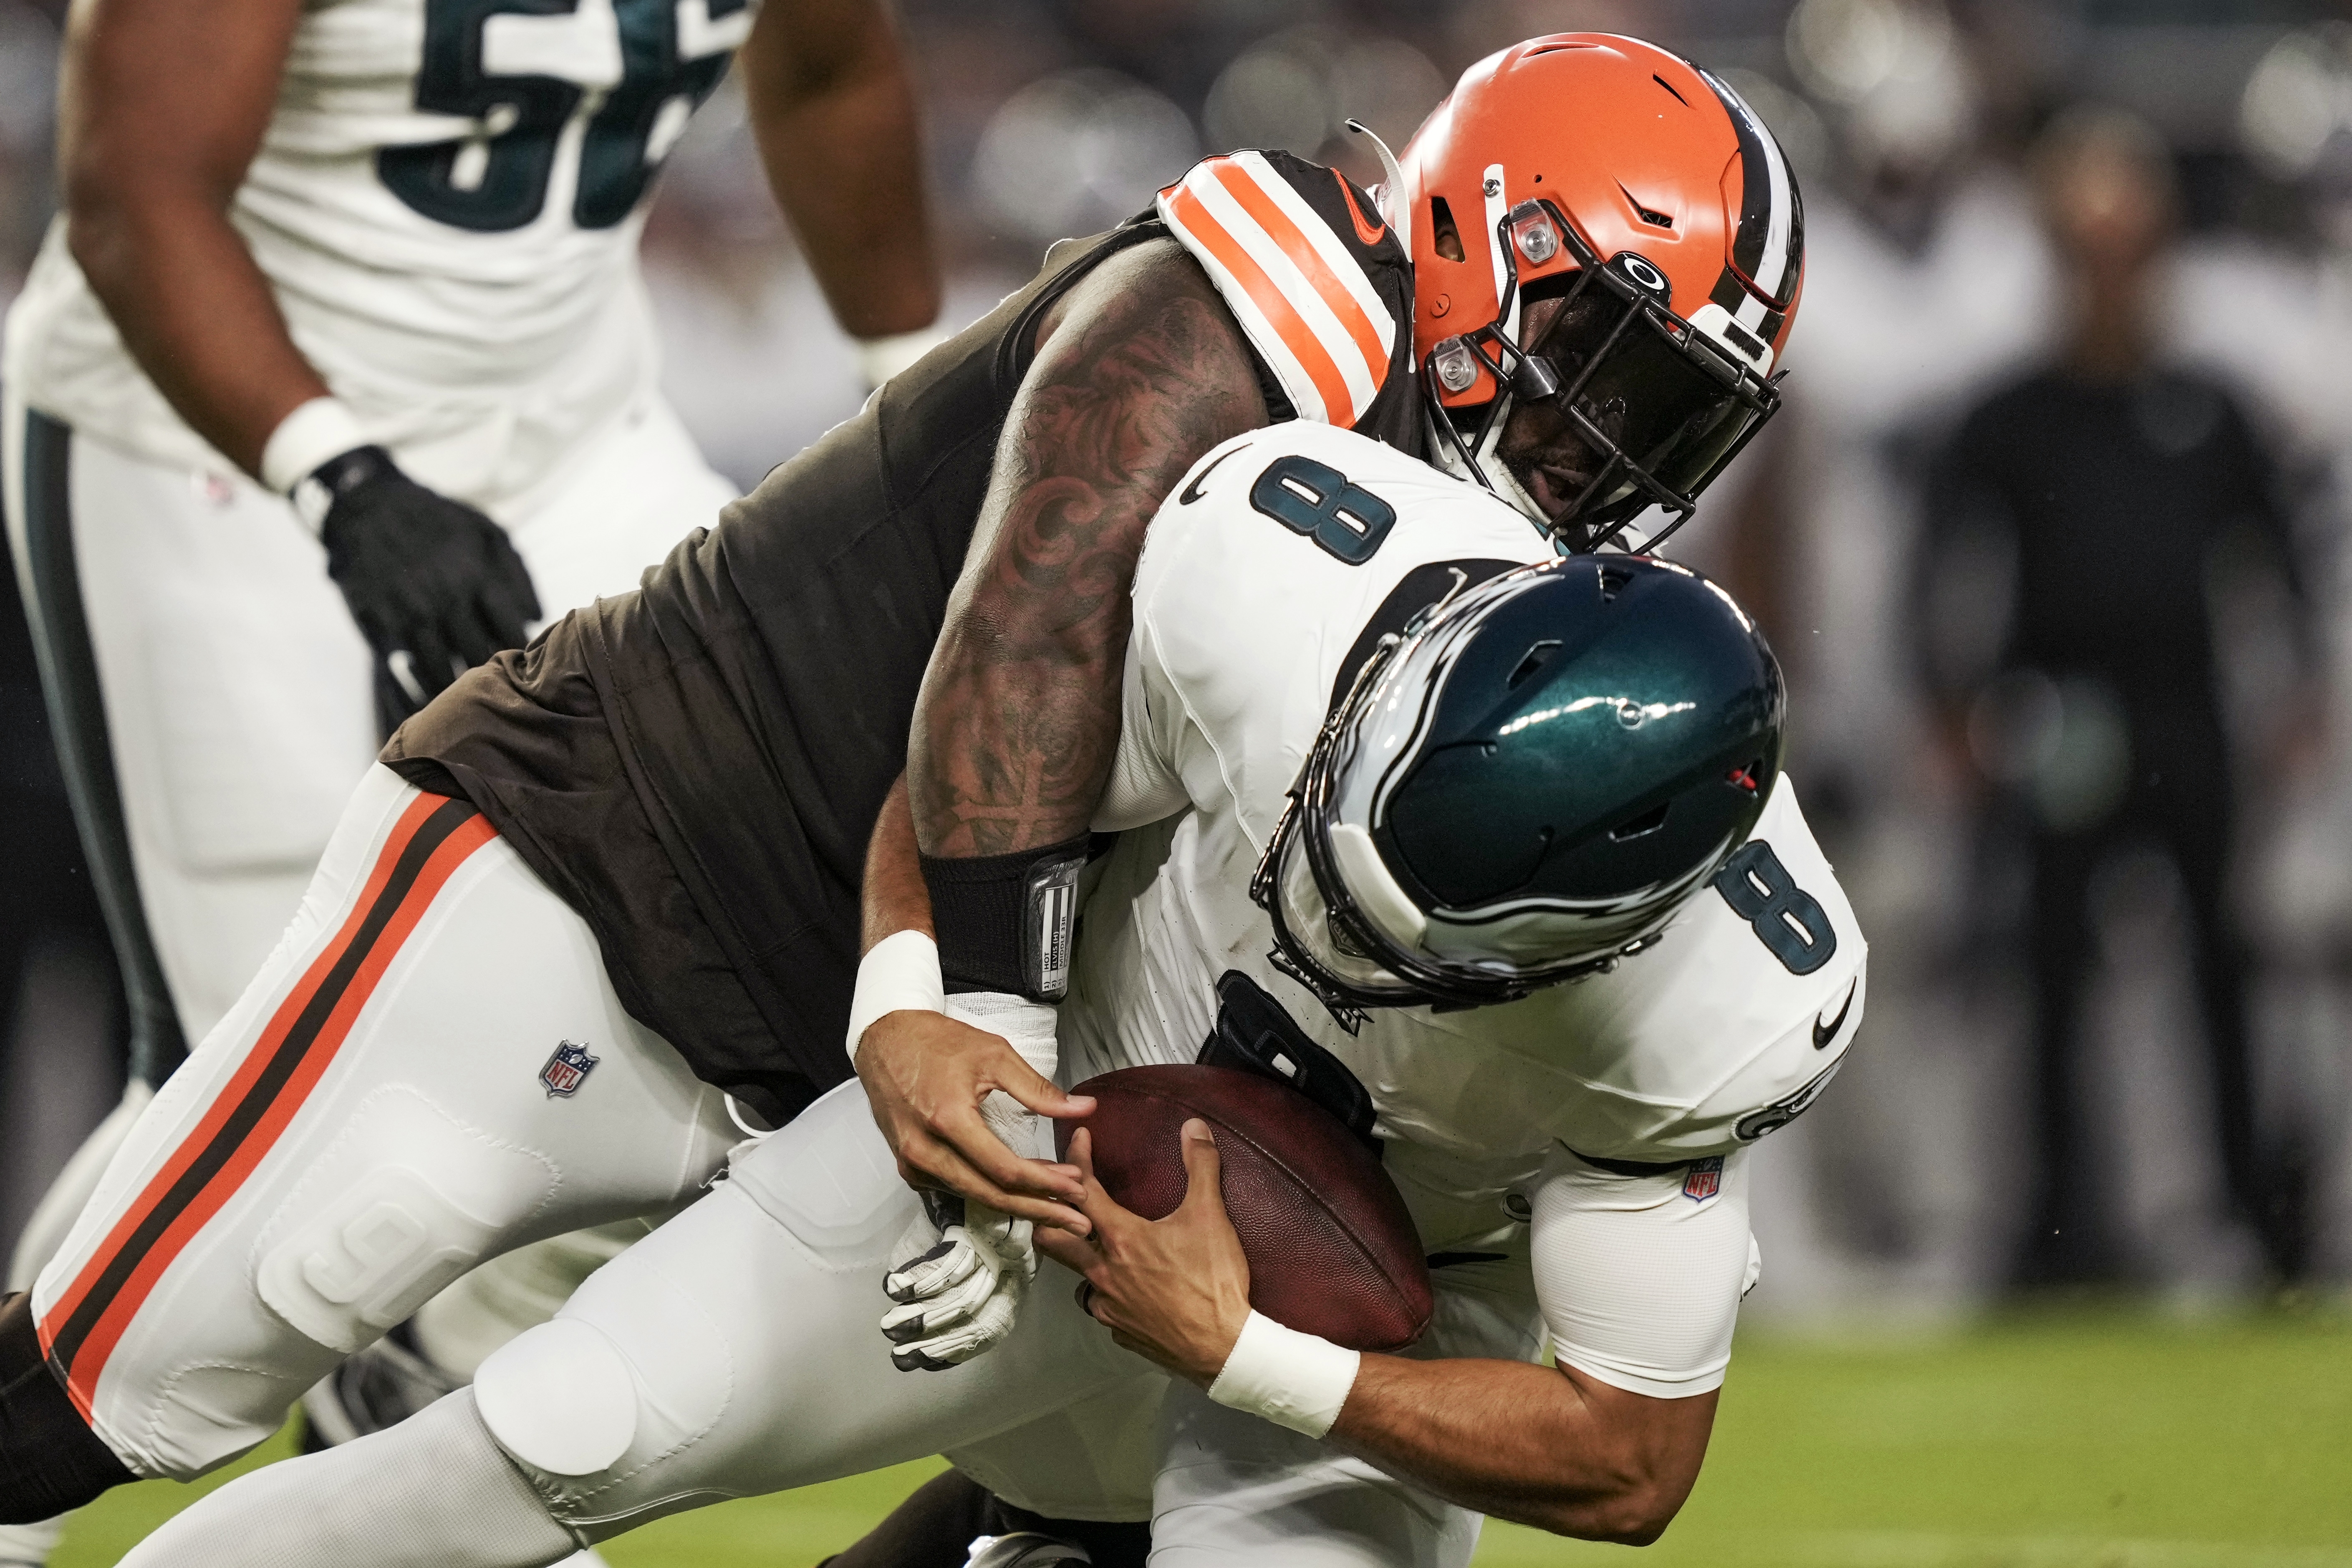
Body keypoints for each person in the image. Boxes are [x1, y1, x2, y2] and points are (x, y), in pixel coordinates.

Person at [0, 31, 1805, 1539]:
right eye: (1603, 371)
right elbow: (1021, 642)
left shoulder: (1524, 624)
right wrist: (971, 1015)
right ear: (1483, 243)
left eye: (1673, 422)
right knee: (135, 1372)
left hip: (932, 1035)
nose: (1608, 455)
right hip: (628, 869)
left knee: (992, 1489)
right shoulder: (1282, 299)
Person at [105, 421, 1867, 1566]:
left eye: (1397, 940)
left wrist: (1242, 1353)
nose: (1324, 925)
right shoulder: (1283, 571)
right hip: (1059, 1102)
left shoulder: (1717, 1010)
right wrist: (923, 1014)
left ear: (1603, 941)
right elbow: (971, 756)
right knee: (564, 1427)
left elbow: (1627, 1459)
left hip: (1391, 1301)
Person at [0, 0, 940, 1555]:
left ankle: (427, 1404)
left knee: (760, 915)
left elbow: (834, 70)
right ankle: (352, 1435)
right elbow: (135, 190)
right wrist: (339, 476)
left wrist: (930, 400)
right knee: (246, 1050)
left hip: (573, 432)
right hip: (212, 434)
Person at [1915, 110, 2318, 1286]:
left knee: (2223, 970)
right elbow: (1939, 565)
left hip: (2185, 711)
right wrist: (1950, 702)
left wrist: (2295, 695)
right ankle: (2056, 1230)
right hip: (2057, 714)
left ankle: (2249, 1216)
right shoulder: (2012, 416)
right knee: (2045, 978)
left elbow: (2273, 559)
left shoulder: (2208, 407)